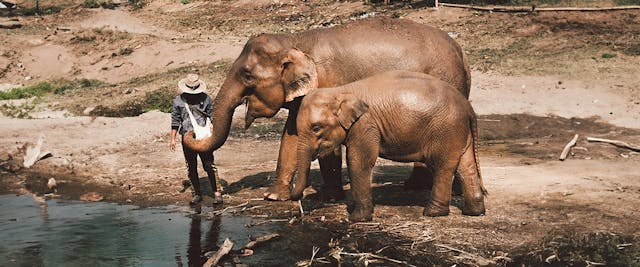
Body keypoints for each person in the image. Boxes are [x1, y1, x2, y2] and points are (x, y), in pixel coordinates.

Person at [169, 73, 223, 205]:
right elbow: (175, 121)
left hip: (203, 138)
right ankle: (197, 194)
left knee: (209, 165)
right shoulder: (178, 101)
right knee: (191, 167)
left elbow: (213, 117)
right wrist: (172, 139)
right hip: (187, 138)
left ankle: (217, 193)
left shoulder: (206, 99)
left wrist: (216, 134)